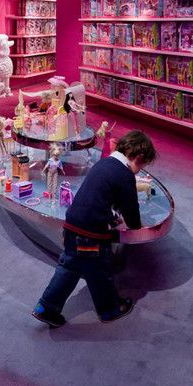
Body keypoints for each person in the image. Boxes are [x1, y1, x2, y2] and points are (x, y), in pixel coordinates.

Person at [32, 130, 157, 328]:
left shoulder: (104, 163)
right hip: (92, 235)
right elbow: (131, 210)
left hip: (73, 224)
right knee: (100, 271)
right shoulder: (125, 175)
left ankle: (45, 307)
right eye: (142, 166)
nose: (139, 171)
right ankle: (110, 309)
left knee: (69, 267)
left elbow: (96, 198)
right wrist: (135, 226)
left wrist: (109, 217)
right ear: (139, 158)